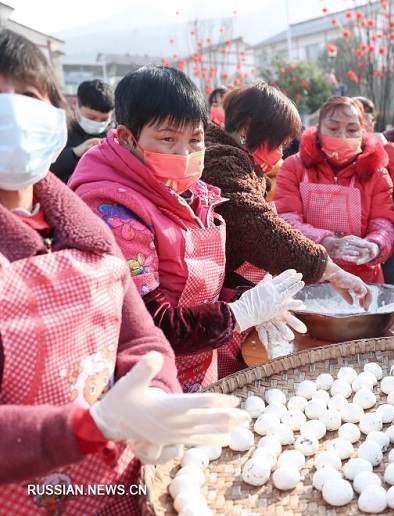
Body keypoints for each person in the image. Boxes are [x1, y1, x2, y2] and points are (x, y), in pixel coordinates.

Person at [0, 30, 247, 513]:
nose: (9, 114)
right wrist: (88, 426)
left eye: (25, 96)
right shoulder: (112, 205)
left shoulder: (80, 224)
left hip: (116, 484)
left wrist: (154, 395)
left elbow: (138, 337)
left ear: (54, 111)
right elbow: (159, 318)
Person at [69, 66, 303, 392]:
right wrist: (237, 314)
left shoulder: (192, 193)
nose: (185, 154)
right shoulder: (111, 208)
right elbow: (148, 324)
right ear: (127, 138)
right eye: (168, 139)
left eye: (195, 139)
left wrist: (248, 299)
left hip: (196, 368)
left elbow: (201, 284)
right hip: (143, 385)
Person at [202, 82, 371, 369]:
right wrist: (328, 268)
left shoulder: (235, 161)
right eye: (278, 143)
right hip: (213, 303)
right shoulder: (222, 161)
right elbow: (258, 226)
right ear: (247, 128)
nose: (281, 154)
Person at [275, 96, 394, 283]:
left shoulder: (377, 174)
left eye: (352, 130)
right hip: (305, 276)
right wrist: (326, 243)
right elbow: (286, 219)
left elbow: (383, 223)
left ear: (362, 132)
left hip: (362, 280)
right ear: (318, 130)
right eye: (333, 129)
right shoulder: (294, 167)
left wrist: (375, 246)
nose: (342, 136)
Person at [354, 95, 394, 286]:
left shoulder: (383, 146)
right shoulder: (332, 152)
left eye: (365, 119)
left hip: (382, 235)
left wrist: (386, 147)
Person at [51, 79, 114, 183]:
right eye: (91, 117)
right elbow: (45, 168)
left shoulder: (114, 136)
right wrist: (74, 153)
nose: (97, 123)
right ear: (75, 104)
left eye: (104, 120)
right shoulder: (58, 130)